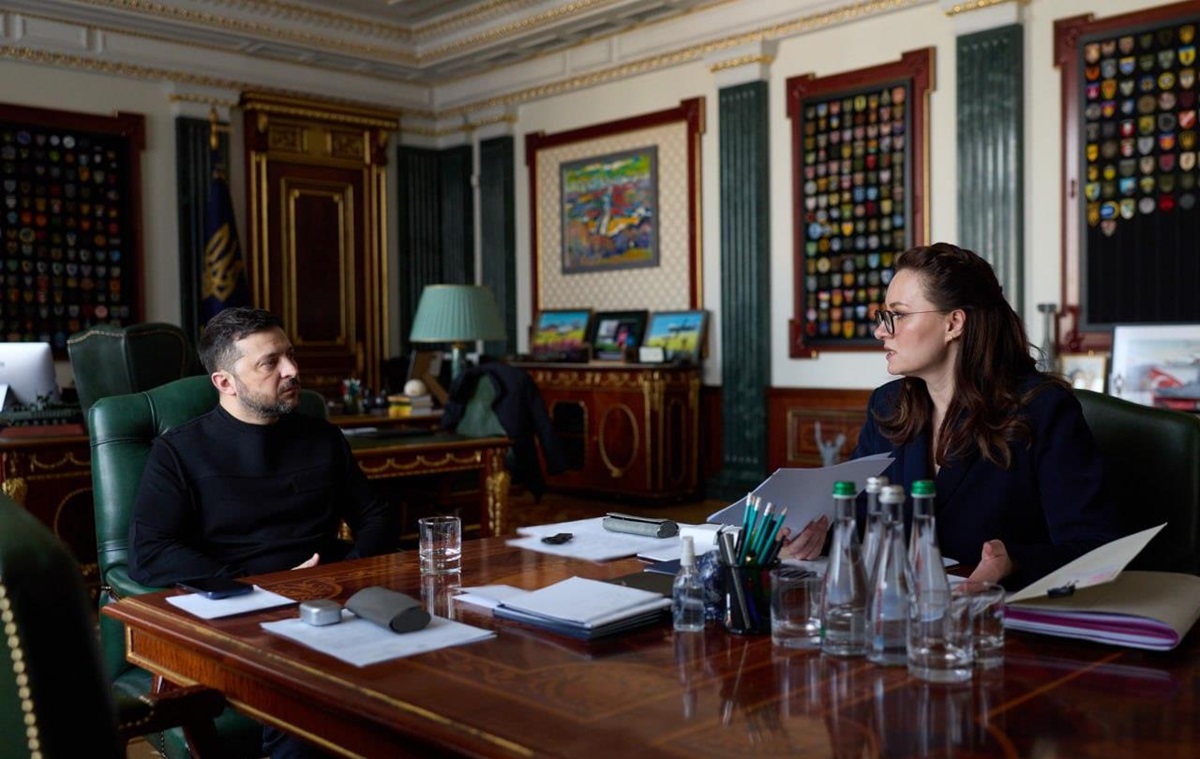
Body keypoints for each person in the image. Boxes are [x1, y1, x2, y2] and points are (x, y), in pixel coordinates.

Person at [128, 307, 397, 758]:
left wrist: (340, 577)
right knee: (310, 696)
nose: (291, 370)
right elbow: (149, 552)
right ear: (225, 382)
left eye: (290, 355)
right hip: (240, 613)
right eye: (270, 362)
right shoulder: (179, 452)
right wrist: (254, 586)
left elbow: (378, 517)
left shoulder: (322, 438)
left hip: (330, 604)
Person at [782, 243, 1119, 588]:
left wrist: (1015, 561)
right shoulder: (887, 405)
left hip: (1003, 611)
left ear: (954, 323)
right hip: (899, 607)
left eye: (898, 315)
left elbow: (1096, 547)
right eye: (883, 317)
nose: (881, 331)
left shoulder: (1044, 409)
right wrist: (819, 536)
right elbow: (864, 518)